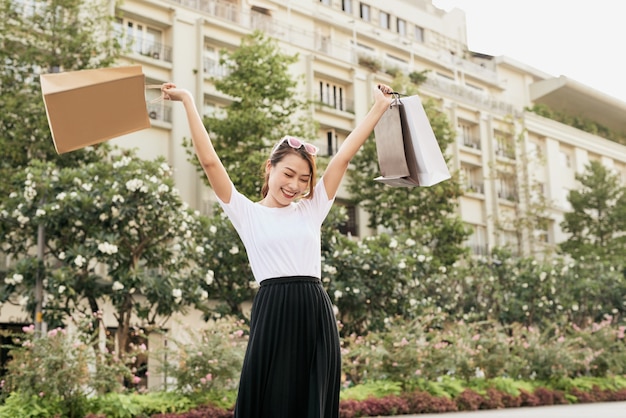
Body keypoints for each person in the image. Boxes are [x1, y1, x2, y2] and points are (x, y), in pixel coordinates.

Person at [161, 81, 394, 418]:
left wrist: (379, 108)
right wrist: (187, 100)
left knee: (312, 397)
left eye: (304, 179)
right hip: (273, 308)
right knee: (270, 397)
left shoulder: (311, 209)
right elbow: (210, 163)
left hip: (314, 309)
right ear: (269, 168)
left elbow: (342, 157)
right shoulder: (246, 212)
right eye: (288, 174)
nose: (295, 185)